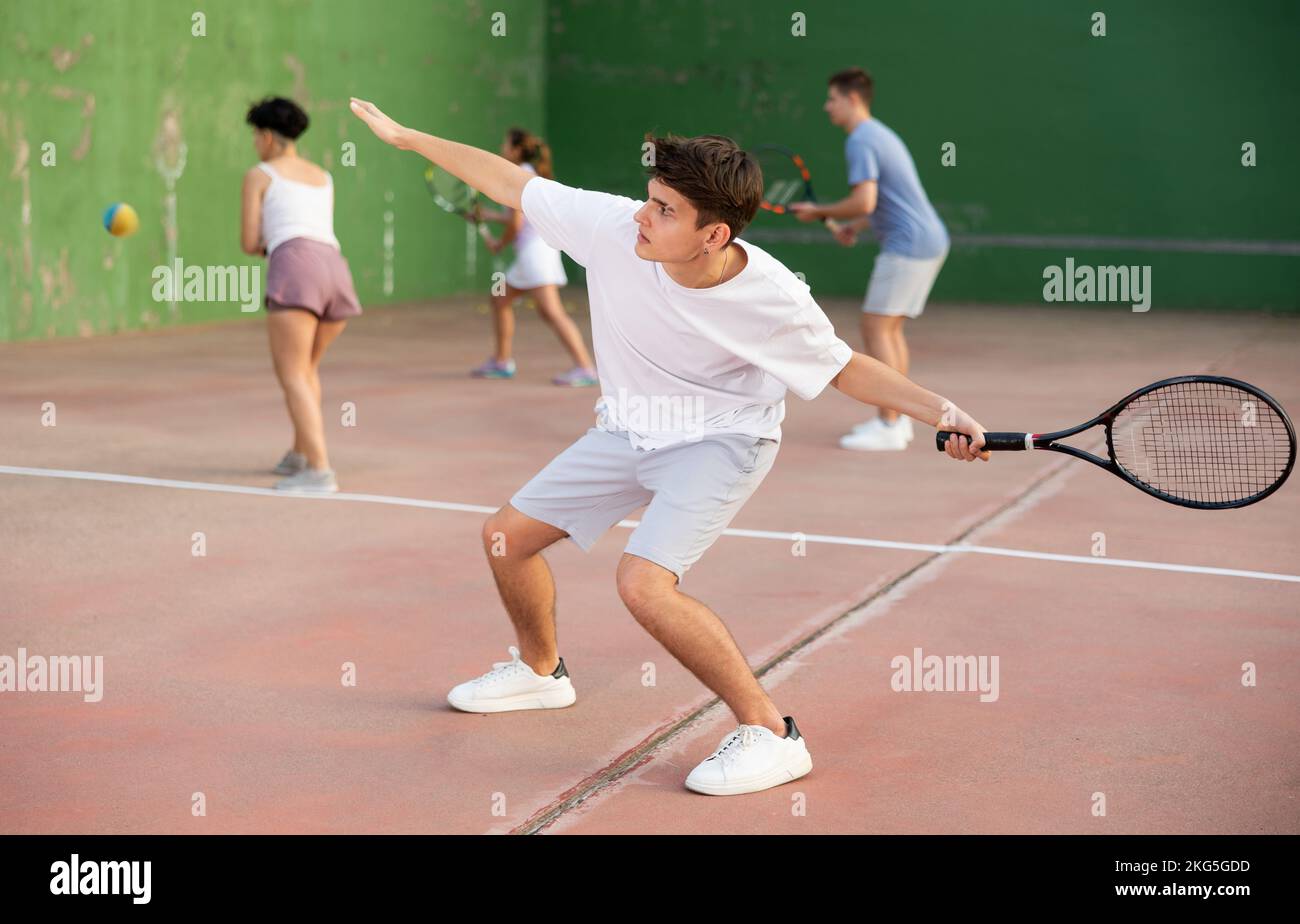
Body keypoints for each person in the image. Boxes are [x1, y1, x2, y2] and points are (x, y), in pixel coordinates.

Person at [351, 96, 989, 797]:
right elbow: (510, 183)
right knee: (507, 537)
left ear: (713, 235)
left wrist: (941, 411)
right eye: (649, 199)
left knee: (643, 583)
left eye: (663, 211)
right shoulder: (610, 229)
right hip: (628, 429)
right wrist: (409, 137)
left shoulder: (771, 294)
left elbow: (843, 367)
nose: (640, 217)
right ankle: (541, 673)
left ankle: (774, 733)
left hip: (721, 440)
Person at [790, 67, 950, 452]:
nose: (827, 107)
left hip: (909, 244)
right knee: (888, 329)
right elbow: (887, 202)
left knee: (876, 328)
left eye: (832, 99)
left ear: (852, 99)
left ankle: (890, 424)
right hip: (927, 239)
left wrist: (818, 210)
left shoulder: (861, 140)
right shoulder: (880, 134)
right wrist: (856, 228)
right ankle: (898, 421)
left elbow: (866, 200)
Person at [241, 96, 360, 493]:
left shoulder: (260, 174)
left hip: (296, 268)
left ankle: (321, 472)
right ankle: (300, 454)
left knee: (291, 374)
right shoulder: (323, 175)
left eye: (256, 136)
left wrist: (267, 242)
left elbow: (248, 241)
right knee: (306, 369)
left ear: (268, 137)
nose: (256, 144)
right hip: (335, 269)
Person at [470, 128, 598, 386]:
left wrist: (499, 244)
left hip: (535, 254)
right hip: (539, 250)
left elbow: (517, 225)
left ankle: (585, 368)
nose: (501, 148)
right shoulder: (528, 174)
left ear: (516, 150)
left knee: (552, 311)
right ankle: (502, 361)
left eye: (505, 144)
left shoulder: (520, 175)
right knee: (500, 299)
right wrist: (491, 216)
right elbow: (521, 217)